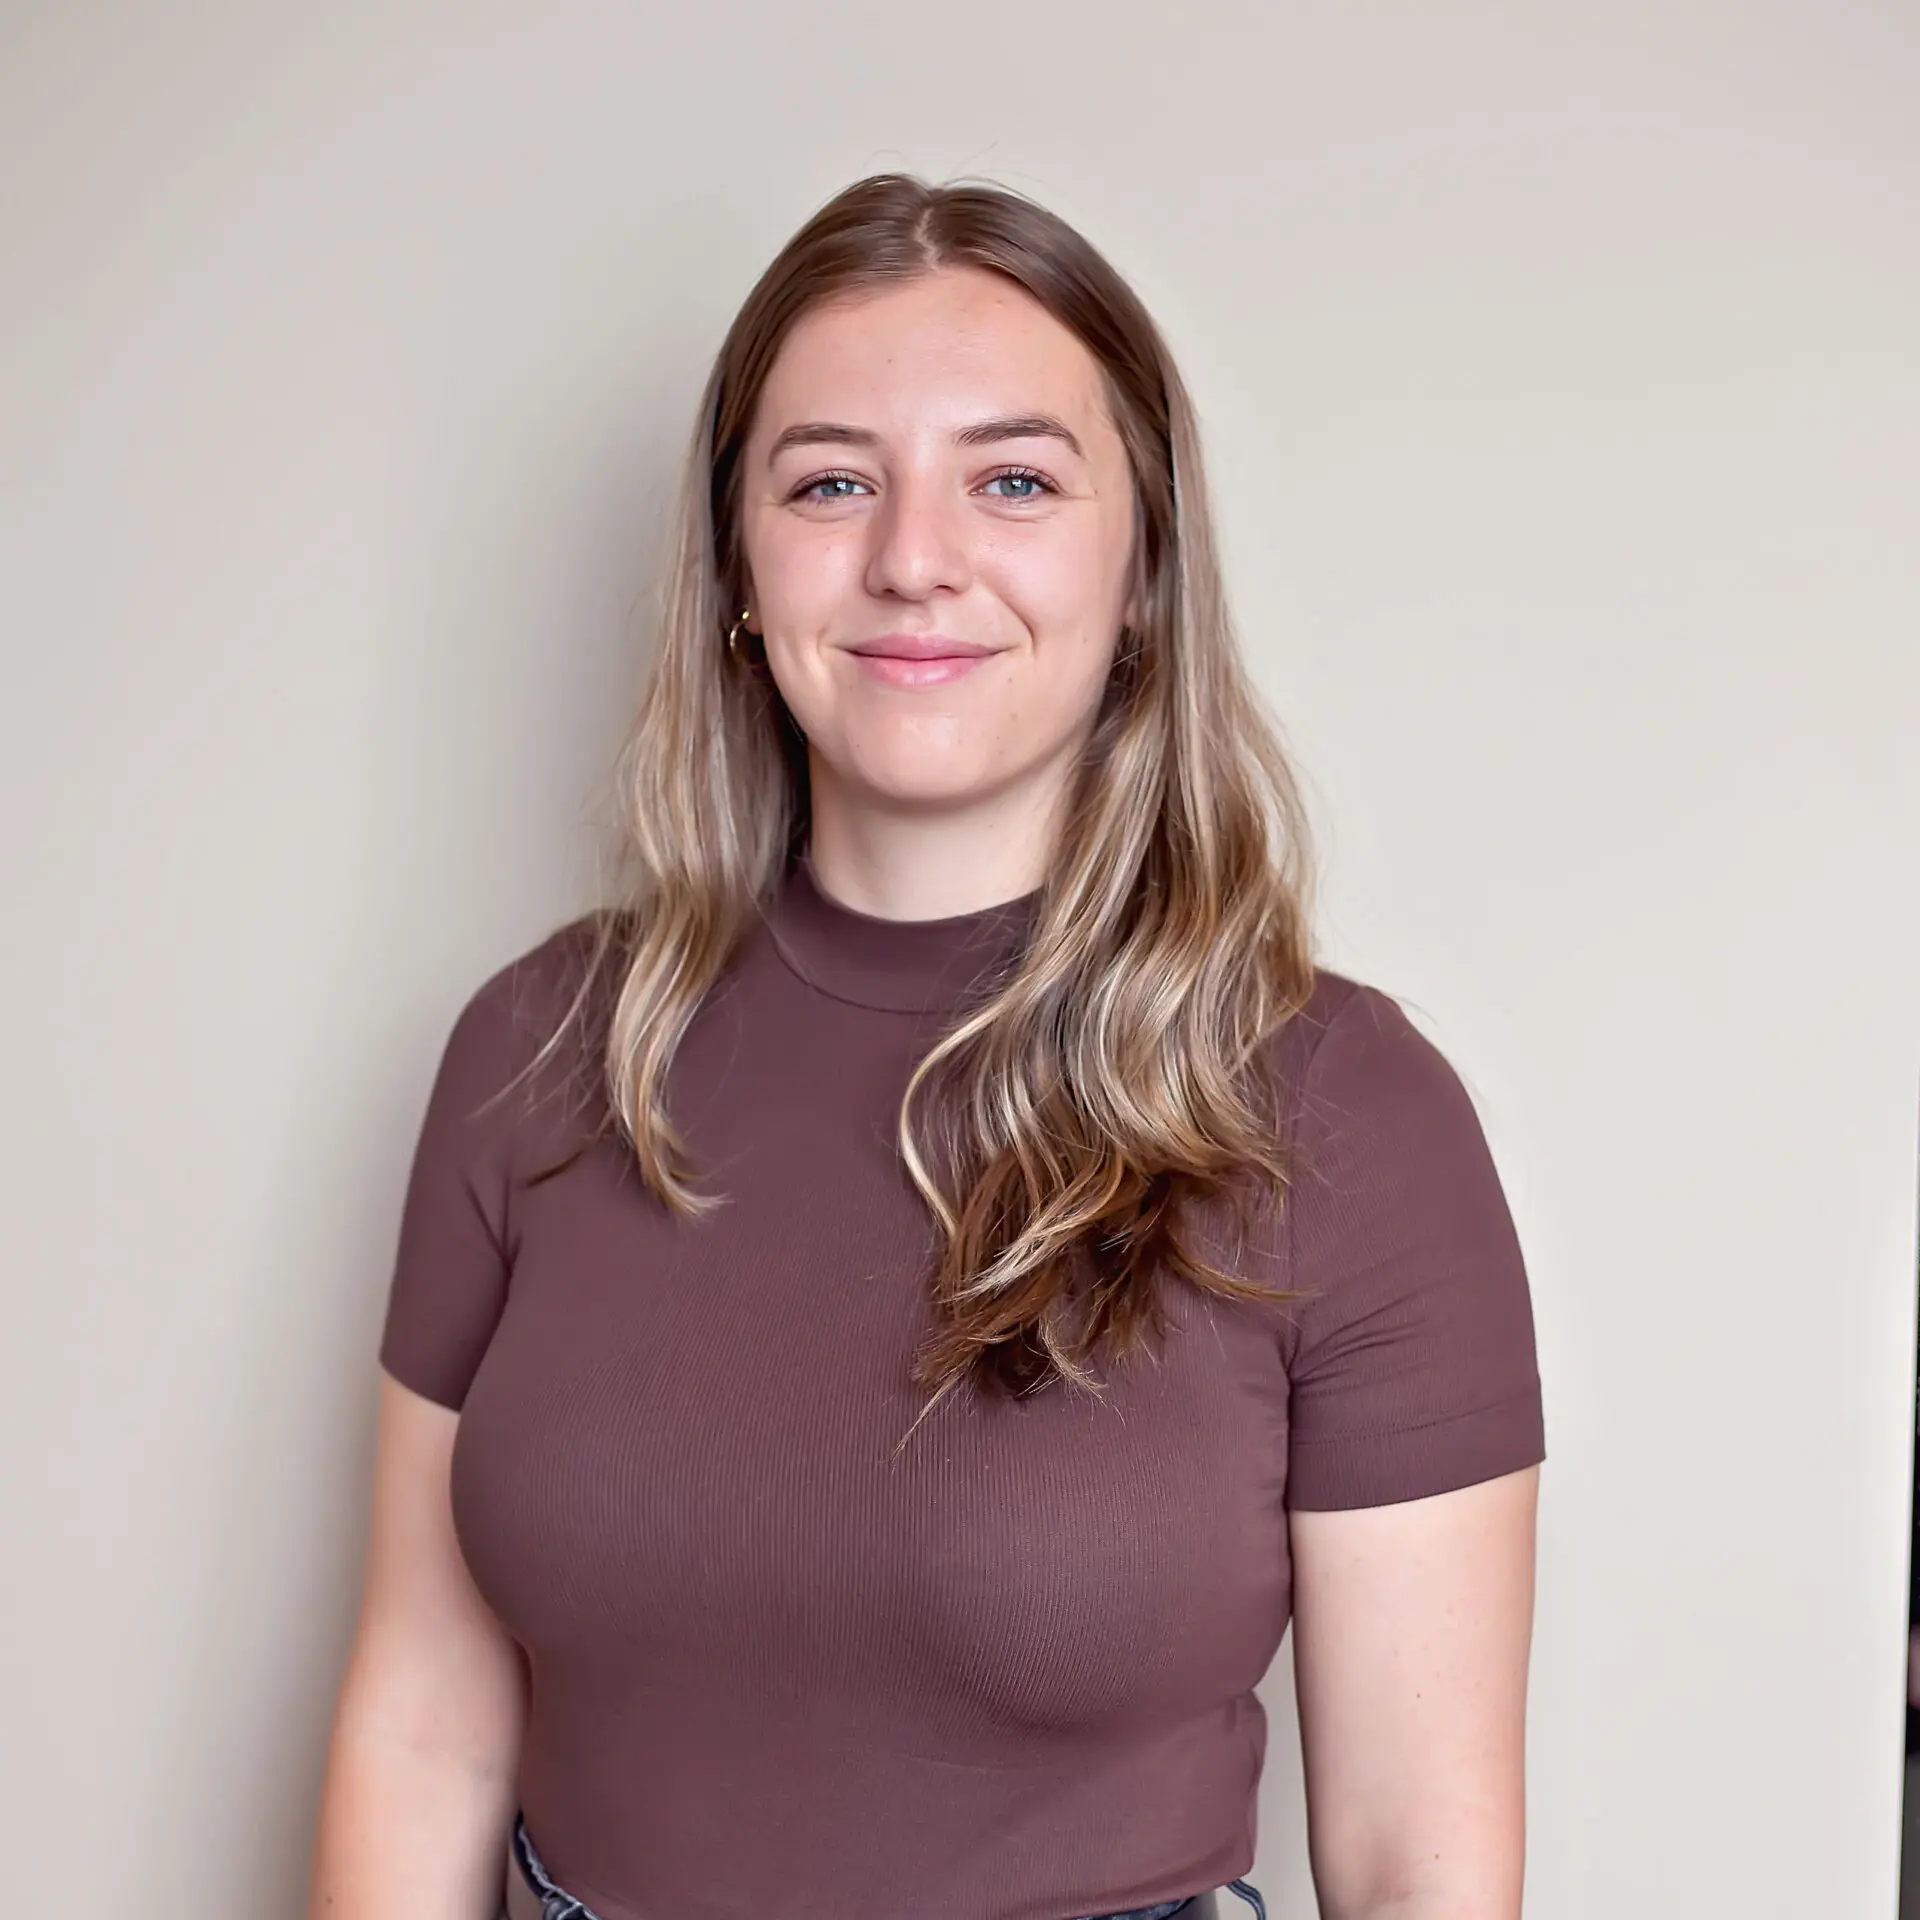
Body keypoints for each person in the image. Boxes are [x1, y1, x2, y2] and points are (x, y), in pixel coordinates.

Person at [306, 172, 1546, 1920]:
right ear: (740, 570)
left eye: (1016, 479)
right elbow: (425, 1725)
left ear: (1142, 576)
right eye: (829, 481)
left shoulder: (1347, 1113)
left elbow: (1421, 1855)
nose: (912, 557)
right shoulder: (532, 1055)